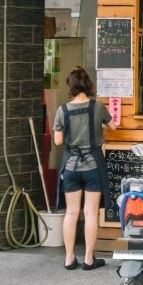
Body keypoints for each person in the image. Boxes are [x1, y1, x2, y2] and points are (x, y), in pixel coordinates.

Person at [53, 67, 116, 270]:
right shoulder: (97, 107)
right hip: (92, 166)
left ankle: (69, 258)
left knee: (71, 213)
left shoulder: (62, 110)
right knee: (90, 213)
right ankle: (89, 259)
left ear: (70, 86)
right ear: (88, 85)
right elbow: (113, 126)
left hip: (71, 166)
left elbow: (58, 140)